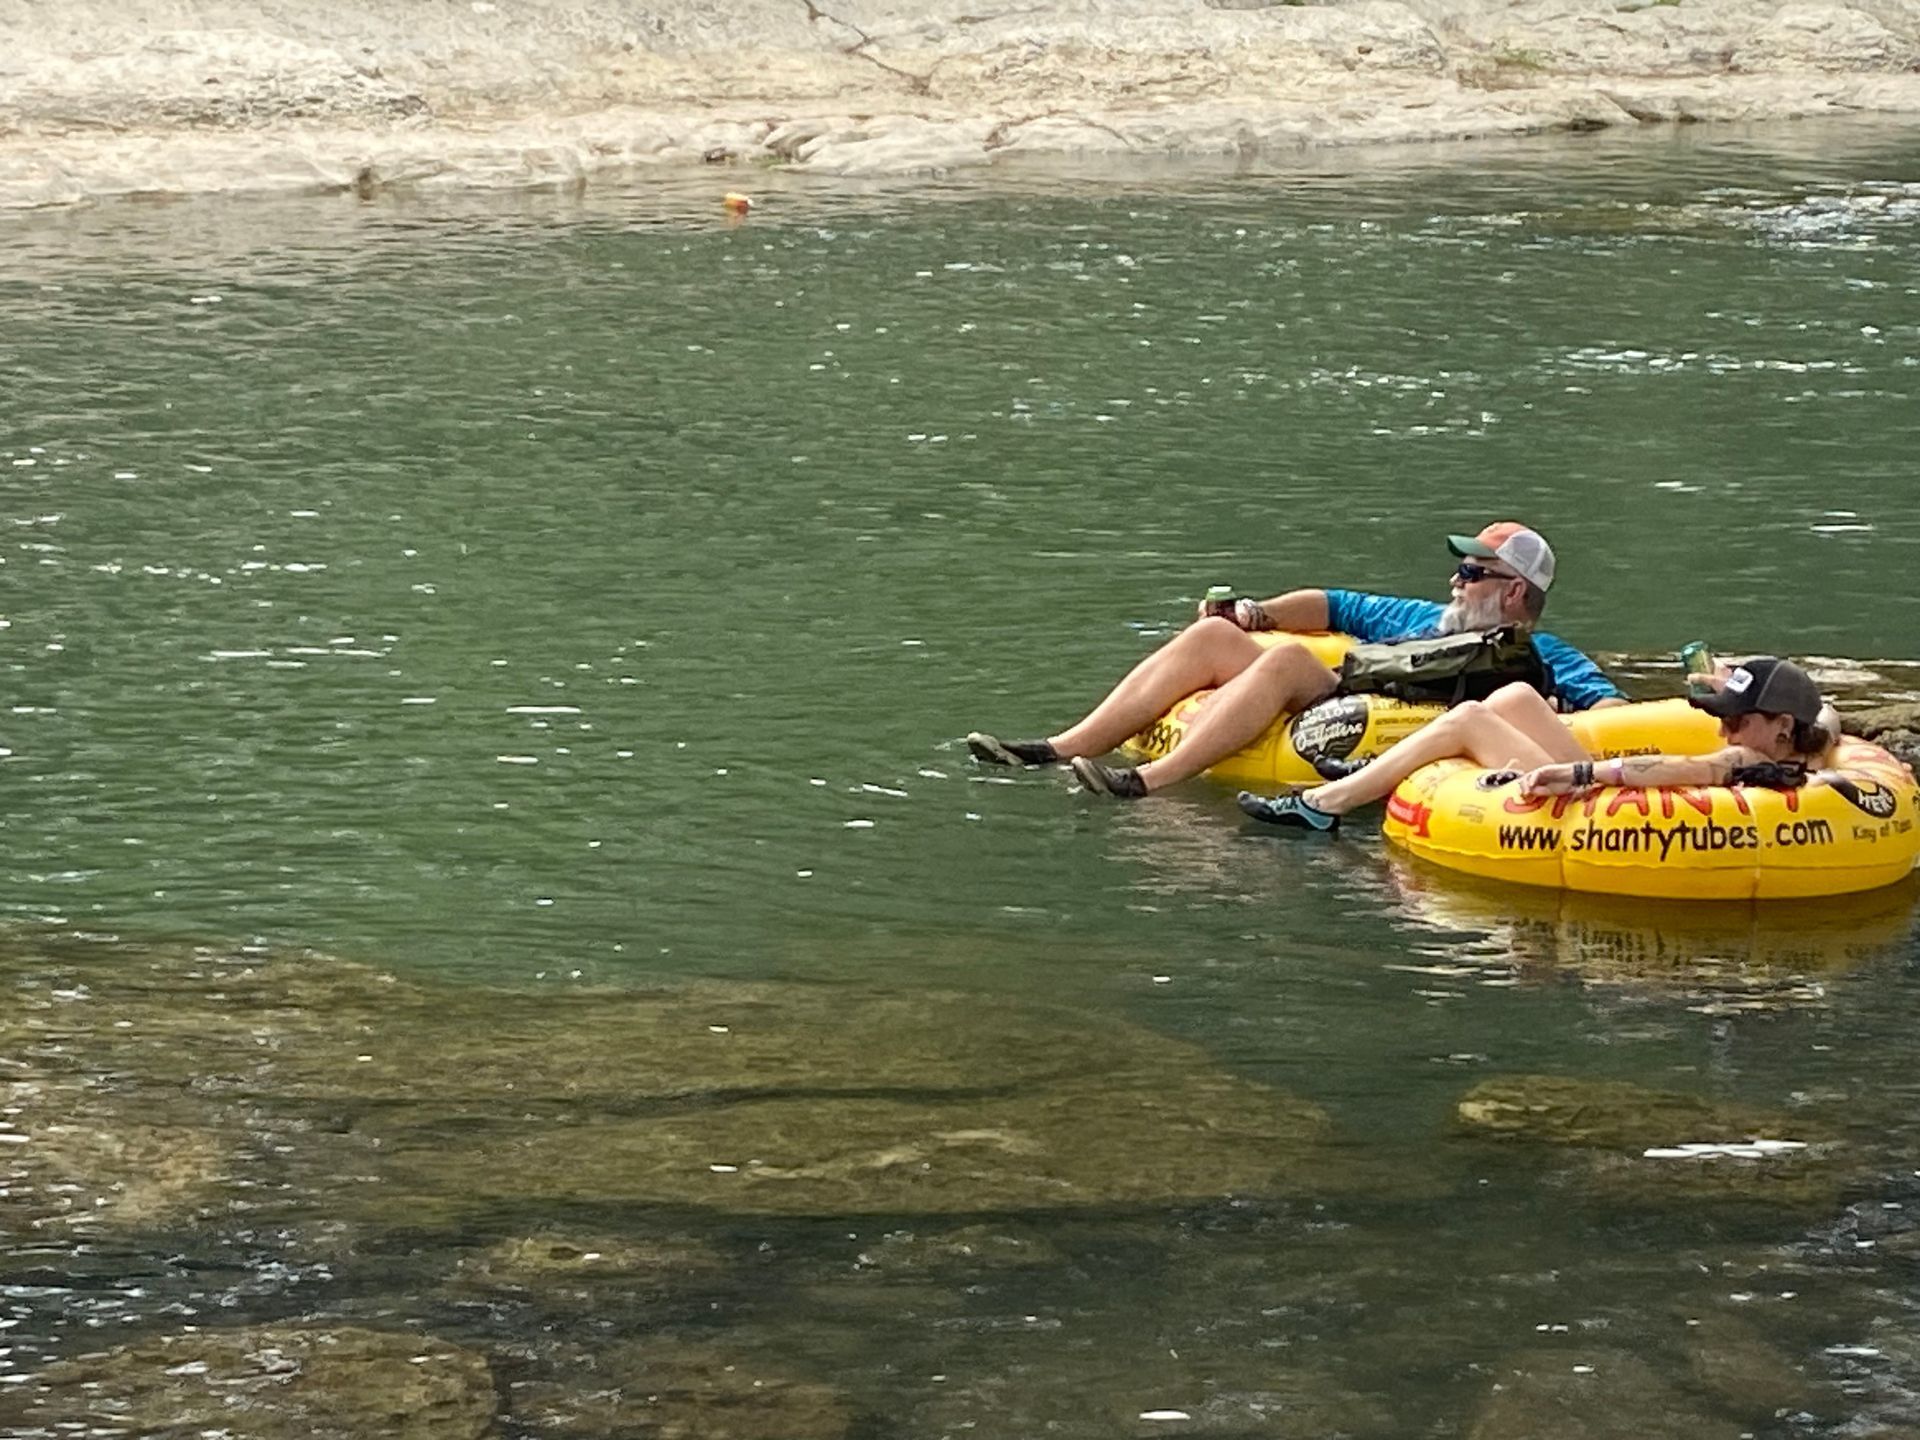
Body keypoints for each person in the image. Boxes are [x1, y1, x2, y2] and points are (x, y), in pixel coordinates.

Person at [966, 521, 1624, 800]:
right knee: (1213, 638)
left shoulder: (1549, 654)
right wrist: (1253, 615)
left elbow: (1613, 713)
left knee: (1284, 663)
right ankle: (1058, 749)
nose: (1456, 582)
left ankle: (1148, 783)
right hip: (1351, 690)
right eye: (1459, 569)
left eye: (1473, 573)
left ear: (1514, 593)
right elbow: (1333, 603)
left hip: (1390, 716)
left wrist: (1557, 714)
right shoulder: (1422, 619)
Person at [1238, 656, 1838, 831]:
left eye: (1736, 719)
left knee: (1469, 718)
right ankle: (1382, 769)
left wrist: (1582, 775)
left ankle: (1324, 804)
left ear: (1780, 725)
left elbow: (1676, 768)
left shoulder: (1745, 759)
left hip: (1601, 809)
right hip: (1609, 796)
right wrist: (1737, 683)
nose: (1725, 729)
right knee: (1515, 698)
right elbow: (1830, 715)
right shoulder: (1811, 744)